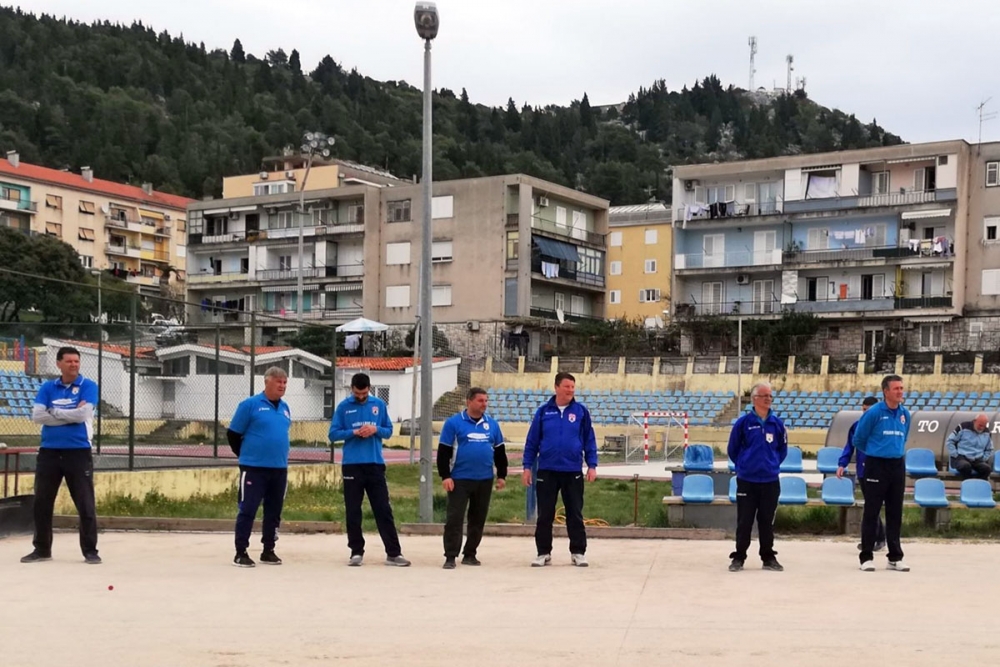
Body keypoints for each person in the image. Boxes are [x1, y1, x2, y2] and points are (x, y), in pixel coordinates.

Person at [22, 346, 101, 564]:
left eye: (76, 361)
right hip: (49, 452)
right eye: (69, 361)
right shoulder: (48, 387)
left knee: (85, 503)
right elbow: (38, 416)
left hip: (78, 451)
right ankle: (42, 549)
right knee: (42, 502)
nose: (73, 365)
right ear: (59, 363)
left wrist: (54, 412)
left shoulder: (88, 386)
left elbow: (83, 414)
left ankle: (90, 551)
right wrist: (70, 414)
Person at [329, 372, 410, 567]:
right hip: (352, 465)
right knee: (353, 510)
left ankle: (393, 553)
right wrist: (354, 432)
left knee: (383, 509)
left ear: (369, 389)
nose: (361, 397)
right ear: (352, 389)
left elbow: (389, 431)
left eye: (364, 393)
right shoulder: (343, 407)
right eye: (358, 393)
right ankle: (356, 552)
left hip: (375, 464)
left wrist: (375, 430)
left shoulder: (378, 405)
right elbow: (333, 434)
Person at [522, 372, 598, 568]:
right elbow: (532, 441)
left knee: (575, 513)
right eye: (567, 386)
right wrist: (527, 467)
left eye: (573, 387)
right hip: (547, 470)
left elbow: (589, 439)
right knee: (545, 514)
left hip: (572, 470)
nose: (571, 390)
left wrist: (592, 465)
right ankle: (543, 552)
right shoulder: (543, 412)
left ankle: (578, 552)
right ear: (556, 387)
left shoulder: (581, 412)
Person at [227, 367, 292, 568]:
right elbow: (233, 434)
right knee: (248, 509)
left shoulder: (285, 408)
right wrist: (247, 457)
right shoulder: (250, 405)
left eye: (284, 382)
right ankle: (241, 552)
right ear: (267, 382)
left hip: (279, 468)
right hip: (254, 469)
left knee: (274, 511)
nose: (282, 386)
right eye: (278, 381)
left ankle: (268, 550)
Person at [437, 388, 508, 569]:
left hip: (484, 479)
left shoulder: (492, 425)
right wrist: (445, 476)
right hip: (459, 478)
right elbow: (443, 452)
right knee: (455, 518)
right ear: (469, 401)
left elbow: (500, 451)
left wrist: (502, 475)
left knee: (478, 518)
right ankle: (450, 556)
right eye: (480, 401)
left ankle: (470, 553)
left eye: (486, 401)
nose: (484, 404)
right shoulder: (453, 423)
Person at [727, 381, 788, 573]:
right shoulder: (743, 423)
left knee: (767, 521)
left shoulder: (777, 424)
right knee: (744, 520)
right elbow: (733, 449)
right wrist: (745, 465)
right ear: (755, 399)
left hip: (770, 481)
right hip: (747, 481)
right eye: (765, 396)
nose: (768, 399)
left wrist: (771, 465)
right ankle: (739, 557)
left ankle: (768, 557)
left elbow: (782, 450)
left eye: (770, 396)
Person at [852, 374, 911, 572]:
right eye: (896, 389)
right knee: (872, 511)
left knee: (895, 512)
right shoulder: (874, 413)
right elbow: (859, 439)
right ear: (886, 391)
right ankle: (866, 557)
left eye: (901, 388)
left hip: (897, 466)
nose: (900, 392)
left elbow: (904, 437)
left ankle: (895, 556)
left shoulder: (905, 414)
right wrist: (875, 452)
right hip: (876, 465)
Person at [837, 396, 886, 552]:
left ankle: (877, 539)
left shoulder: (882, 426)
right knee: (871, 505)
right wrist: (842, 464)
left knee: (873, 506)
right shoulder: (857, 426)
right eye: (863, 410)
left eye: (869, 410)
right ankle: (877, 538)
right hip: (863, 471)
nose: (865, 413)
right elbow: (849, 447)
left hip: (879, 470)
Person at [946, 414, 994, 480]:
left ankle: (978, 484)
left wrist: (983, 458)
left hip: (977, 460)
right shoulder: (963, 427)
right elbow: (950, 441)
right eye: (980, 425)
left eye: (984, 426)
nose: (982, 428)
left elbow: (989, 449)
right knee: (965, 466)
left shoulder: (987, 433)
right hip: (961, 457)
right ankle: (968, 484)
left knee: (987, 469)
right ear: (975, 421)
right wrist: (955, 455)